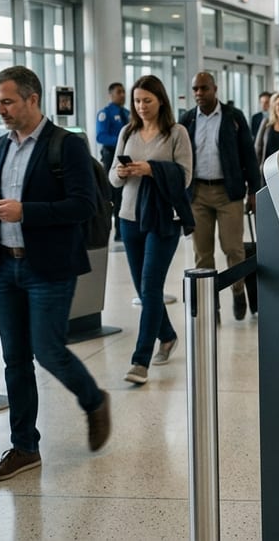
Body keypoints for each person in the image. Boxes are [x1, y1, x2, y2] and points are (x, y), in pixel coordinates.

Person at [0, 65, 111, 480]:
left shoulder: (66, 146)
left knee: (48, 350)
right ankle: (24, 447)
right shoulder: (1, 147)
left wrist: (27, 212)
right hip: (7, 266)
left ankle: (94, 399)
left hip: (49, 268)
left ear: (32, 99)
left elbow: (84, 205)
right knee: (15, 360)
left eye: (7, 101)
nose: (0, 109)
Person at [111, 75, 194, 384]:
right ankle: (168, 335)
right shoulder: (127, 132)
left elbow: (185, 177)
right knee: (144, 290)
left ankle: (140, 361)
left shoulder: (176, 133)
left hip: (162, 219)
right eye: (137, 101)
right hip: (129, 217)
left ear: (160, 100)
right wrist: (122, 172)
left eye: (147, 100)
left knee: (150, 287)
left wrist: (151, 169)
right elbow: (112, 178)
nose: (141, 106)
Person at [180, 72, 259, 320]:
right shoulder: (187, 119)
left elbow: (249, 155)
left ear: (215, 89)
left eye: (204, 88)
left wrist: (254, 191)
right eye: (195, 89)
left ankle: (238, 291)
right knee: (202, 252)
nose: (199, 93)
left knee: (233, 248)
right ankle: (209, 303)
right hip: (198, 193)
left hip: (228, 192)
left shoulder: (234, 117)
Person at [96, 82, 129, 241]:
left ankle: (124, 229)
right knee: (114, 194)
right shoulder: (105, 114)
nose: (122, 95)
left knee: (125, 193)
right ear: (111, 95)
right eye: (118, 92)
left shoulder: (127, 113)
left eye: (123, 92)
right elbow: (101, 136)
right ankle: (117, 231)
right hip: (111, 156)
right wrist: (121, 141)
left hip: (127, 156)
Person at [254, 92, 279, 182]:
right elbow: (258, 146)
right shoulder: (266, 123)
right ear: (274, 107)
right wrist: (255, 168)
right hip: (267, 170)